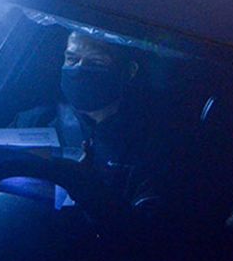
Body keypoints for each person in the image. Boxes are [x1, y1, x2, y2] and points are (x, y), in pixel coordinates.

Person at [13, 31, 169, 207]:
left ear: (129, 71)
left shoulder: (150, 145)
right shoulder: (33, 122)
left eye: (95, 62)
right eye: (72, 59)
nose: (79, 70)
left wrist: (88, 190)